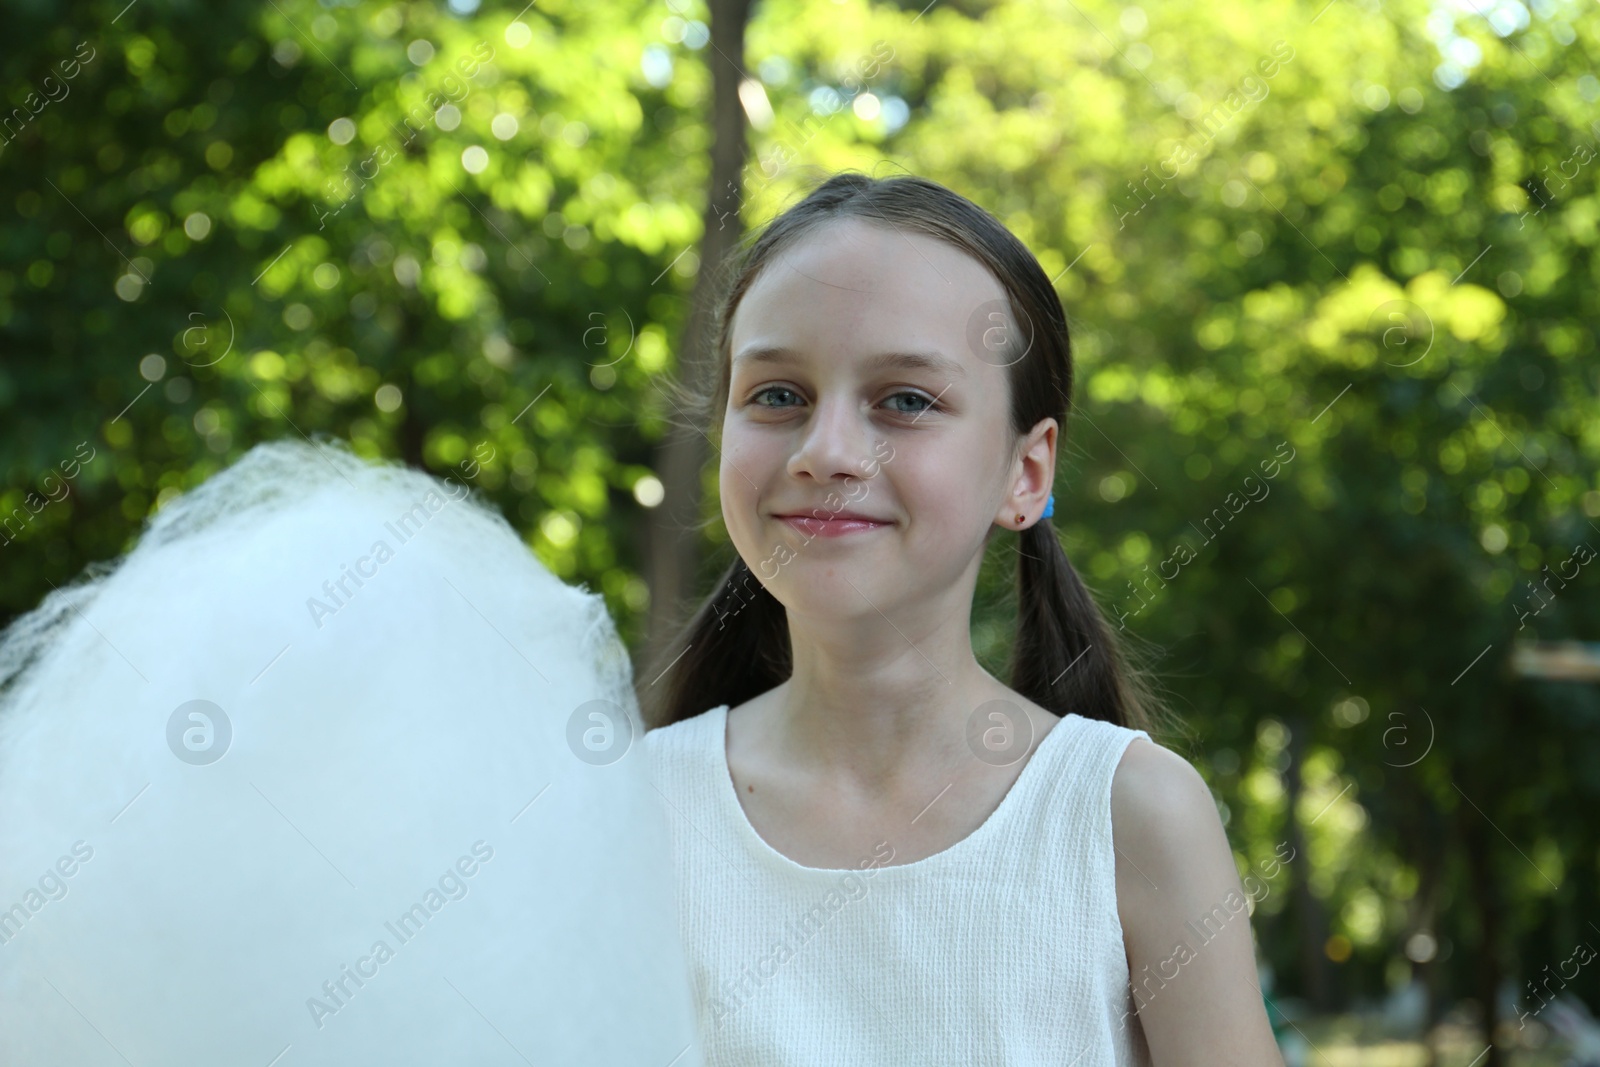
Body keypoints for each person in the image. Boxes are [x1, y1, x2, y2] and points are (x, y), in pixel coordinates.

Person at [642, 170, 1284, 1065]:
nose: (826, 450)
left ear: (1028, 473)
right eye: (777, 394)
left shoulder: (1132, 818)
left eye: (905, 400)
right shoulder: (624, 814)